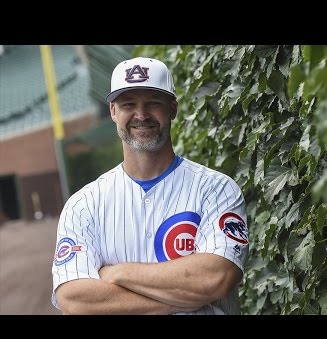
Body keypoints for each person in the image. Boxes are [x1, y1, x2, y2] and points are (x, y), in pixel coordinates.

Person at [51, 57, 249, 315]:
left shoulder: (218, 189)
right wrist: (189, 296)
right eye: (128, 104)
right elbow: (75, 302)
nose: (141, 115)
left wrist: (117, 273)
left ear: (172, 109)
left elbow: (217, 279)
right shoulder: (83, 205)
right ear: (113, 111)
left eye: (153, 103)